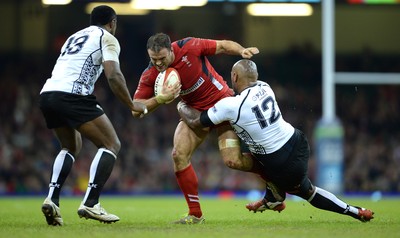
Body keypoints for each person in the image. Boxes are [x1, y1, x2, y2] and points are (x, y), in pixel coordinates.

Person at [177, 59, 374, 222]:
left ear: (234, 77)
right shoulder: (265, 87)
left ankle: (352, 211)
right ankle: (272, 196)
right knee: (251, 155)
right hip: (297, 141)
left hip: (280, 162)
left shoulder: (232, 105)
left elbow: (195, 121)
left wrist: (180, 104)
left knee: (308, 192)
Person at [132, 33, 265, 224]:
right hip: (195, 115)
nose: (159, 64)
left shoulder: (189, 46)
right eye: (154, 60)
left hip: (223, 107)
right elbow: (136, 109)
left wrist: (241, 50)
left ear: (172, 49)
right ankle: (195, 214)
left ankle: (270, 179)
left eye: (162, 58)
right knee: (178, 155)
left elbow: (222, 45)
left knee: (233, 161)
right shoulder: (150, 74)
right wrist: (159, 99)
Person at [39, 5, 147, 226]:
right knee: (111, 143)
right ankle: (91, 202)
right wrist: (130, 104)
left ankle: (52, 198)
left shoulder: (74, 36)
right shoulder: (107, 37)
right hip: (73, 94)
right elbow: (114, 76)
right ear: (112, 22)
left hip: (48, 94)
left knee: (70, 146)